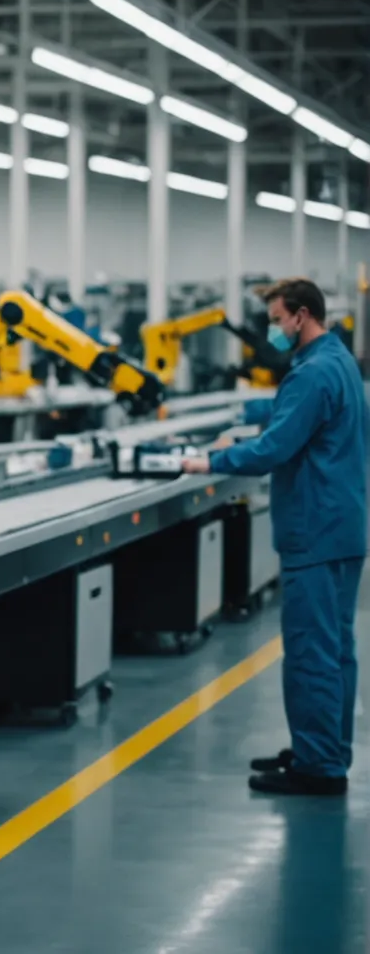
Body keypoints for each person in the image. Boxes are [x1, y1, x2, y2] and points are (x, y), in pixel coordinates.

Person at [181, 277, 366, 796]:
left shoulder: (312, 374)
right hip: (342, 527)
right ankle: (323, 750)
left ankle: (318, 768)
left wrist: (208, 461)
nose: (273, 330)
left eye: (277, 319)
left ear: (302, 315)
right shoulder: (339, 363)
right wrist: (251, 424)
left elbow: (274, 450)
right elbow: (301, 424)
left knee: (311, 651)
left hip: (315, 530)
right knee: (336, 652)